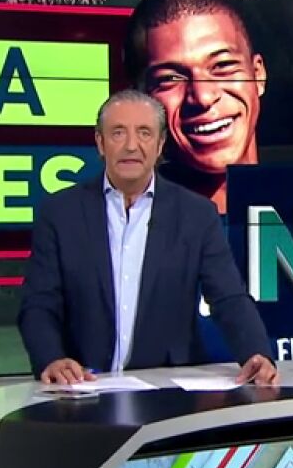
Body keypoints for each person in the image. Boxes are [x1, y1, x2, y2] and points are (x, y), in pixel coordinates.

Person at [17, 88, 278, 385]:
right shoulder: (60, 213)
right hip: (84, 386)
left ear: (160, 144)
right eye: (118, 133)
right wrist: (51, 358)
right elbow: (39, 304)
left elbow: (228, 297)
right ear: (100, 143)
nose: (131, 146)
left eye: (144, 133)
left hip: (166, 389)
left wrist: (256, 352)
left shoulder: (196, 214)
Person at [123, 0, 267, 214]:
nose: (203, 97)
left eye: (222, 66)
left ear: (258, 76)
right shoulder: (127, 228)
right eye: (170, 79)